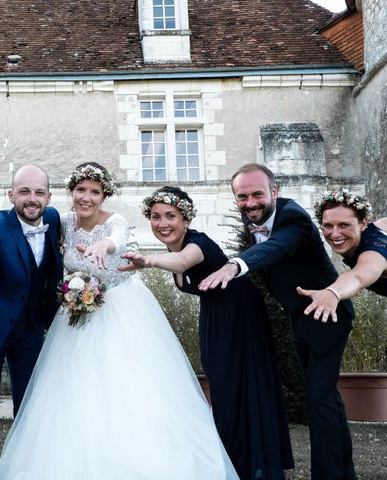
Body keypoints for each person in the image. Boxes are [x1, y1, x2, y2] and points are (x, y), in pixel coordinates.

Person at [0, 163, 238, 479]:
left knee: (129, 387)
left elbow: (119, 239)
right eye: (81, 190)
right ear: (71, 193)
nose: (87, 198)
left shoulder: (115, 222)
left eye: (94, 192)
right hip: (76, 315)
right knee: (74, 389)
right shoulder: (62, 222)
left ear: (103, 195)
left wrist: (103, 245)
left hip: (122, 310)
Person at [120, 186, 293, 479]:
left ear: (186, 220)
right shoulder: (173, 250)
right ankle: (233, 461)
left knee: (238, 386)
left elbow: (185, 262)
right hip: (218, 315)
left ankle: (255, 465)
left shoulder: (195, 242)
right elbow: (179, 264)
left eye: (171, 216)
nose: (162, 223)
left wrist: (148, 261)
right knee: (223, 387)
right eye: (156, 216)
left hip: (239, 313)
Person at [198, 163, 356, 480]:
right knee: (327, 401)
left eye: (257, 194)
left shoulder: (293, 217)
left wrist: (235, 265)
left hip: (328, 316)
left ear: (274, 191)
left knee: (319, 399)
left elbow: (276, 248)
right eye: (242, 197)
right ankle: (344, 472)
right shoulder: (253, 220)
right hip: (300, 320)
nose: (250, 203)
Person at [0, 164, 63, 480]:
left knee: (30, 411)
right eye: (24, 192)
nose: (32, 199)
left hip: (30, 332)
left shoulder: (54, 220)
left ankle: (25, 472)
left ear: (48, 196)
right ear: (11, 195)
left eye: (38, 192)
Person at [298, 189, 387, 321]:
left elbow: (358, 277)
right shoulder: (379, 226)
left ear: (363, 223)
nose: (335, 234)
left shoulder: (373, 253)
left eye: (344, 225)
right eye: (328, 226)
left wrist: (333, 292)